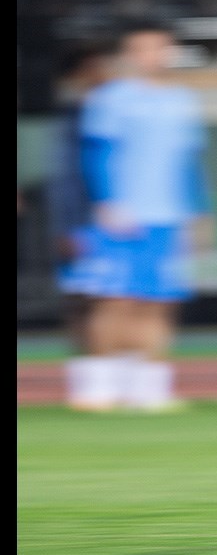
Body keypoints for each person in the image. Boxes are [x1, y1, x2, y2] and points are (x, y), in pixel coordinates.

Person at [61, 20, 215, 411]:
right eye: (143, 49)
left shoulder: (182, 101)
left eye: (160, 48)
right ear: (128, 55)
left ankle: (148, 388)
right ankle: (99, 386)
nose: (153, 56)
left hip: (169, 216)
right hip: (121, 216)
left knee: (159, 302)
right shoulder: (110, 99)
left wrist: (199, 214)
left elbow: (189, 164)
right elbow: (95, 154)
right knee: (114, 300)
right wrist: (107, 201)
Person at [43, 40, 115, 403]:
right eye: (92, 70)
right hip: (82, 224)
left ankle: (109, 378)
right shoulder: (73, 120)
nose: (100, 77)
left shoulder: (112, 115)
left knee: (113, 300)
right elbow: (65, 179)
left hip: (114, 224)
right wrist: (67, 228)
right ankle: (88, 382)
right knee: (83, 301)